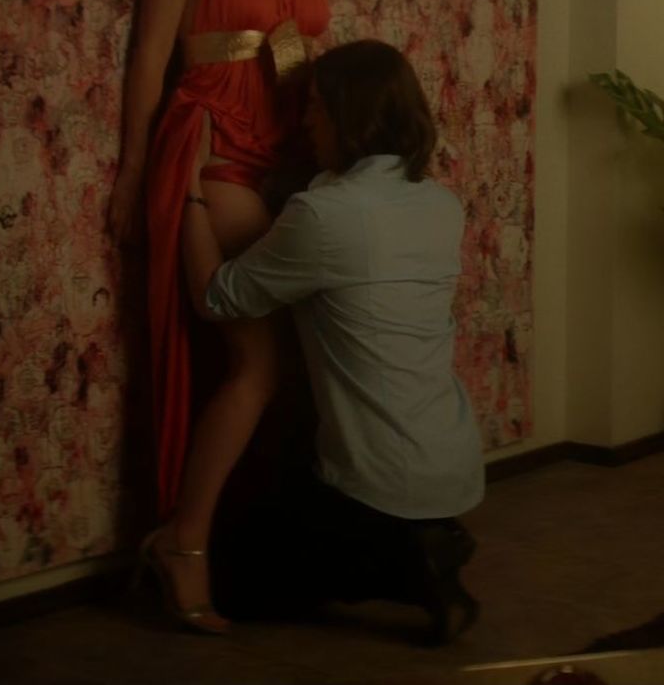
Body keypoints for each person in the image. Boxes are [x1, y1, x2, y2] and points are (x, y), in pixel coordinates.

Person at [107, 0, 332, 634]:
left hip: (284, 153)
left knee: (306, 354)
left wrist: (334, 159)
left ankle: (253, 539)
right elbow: (151, 53)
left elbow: (302, 49)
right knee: (257, 358)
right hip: (213, 148)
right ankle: (183, 540)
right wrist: (133, 171)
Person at [181, 39, 485, 644]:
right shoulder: (439, 204)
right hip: (450, 461)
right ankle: (424, 542)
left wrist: (186, 191)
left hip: (378, 480)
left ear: (351, 116)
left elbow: (218, 298)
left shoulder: (326, 216)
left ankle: (406, 567)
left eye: (317, 107)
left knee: (239, 584)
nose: (305, 121)